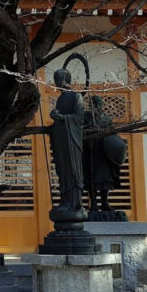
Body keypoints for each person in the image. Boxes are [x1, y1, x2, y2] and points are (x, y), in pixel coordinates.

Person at [49, 67, 86, 214]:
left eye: (58, 80)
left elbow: (79, 118)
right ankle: (65, 200)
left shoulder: (75, 96)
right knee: (62, 170)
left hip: (72, 141)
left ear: (65, 80)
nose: (56, 83)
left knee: (72, 170)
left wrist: (63, 118)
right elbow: (60, 121)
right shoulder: (61, 99)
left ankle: (74, 202)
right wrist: (55, 120)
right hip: (62, 140)